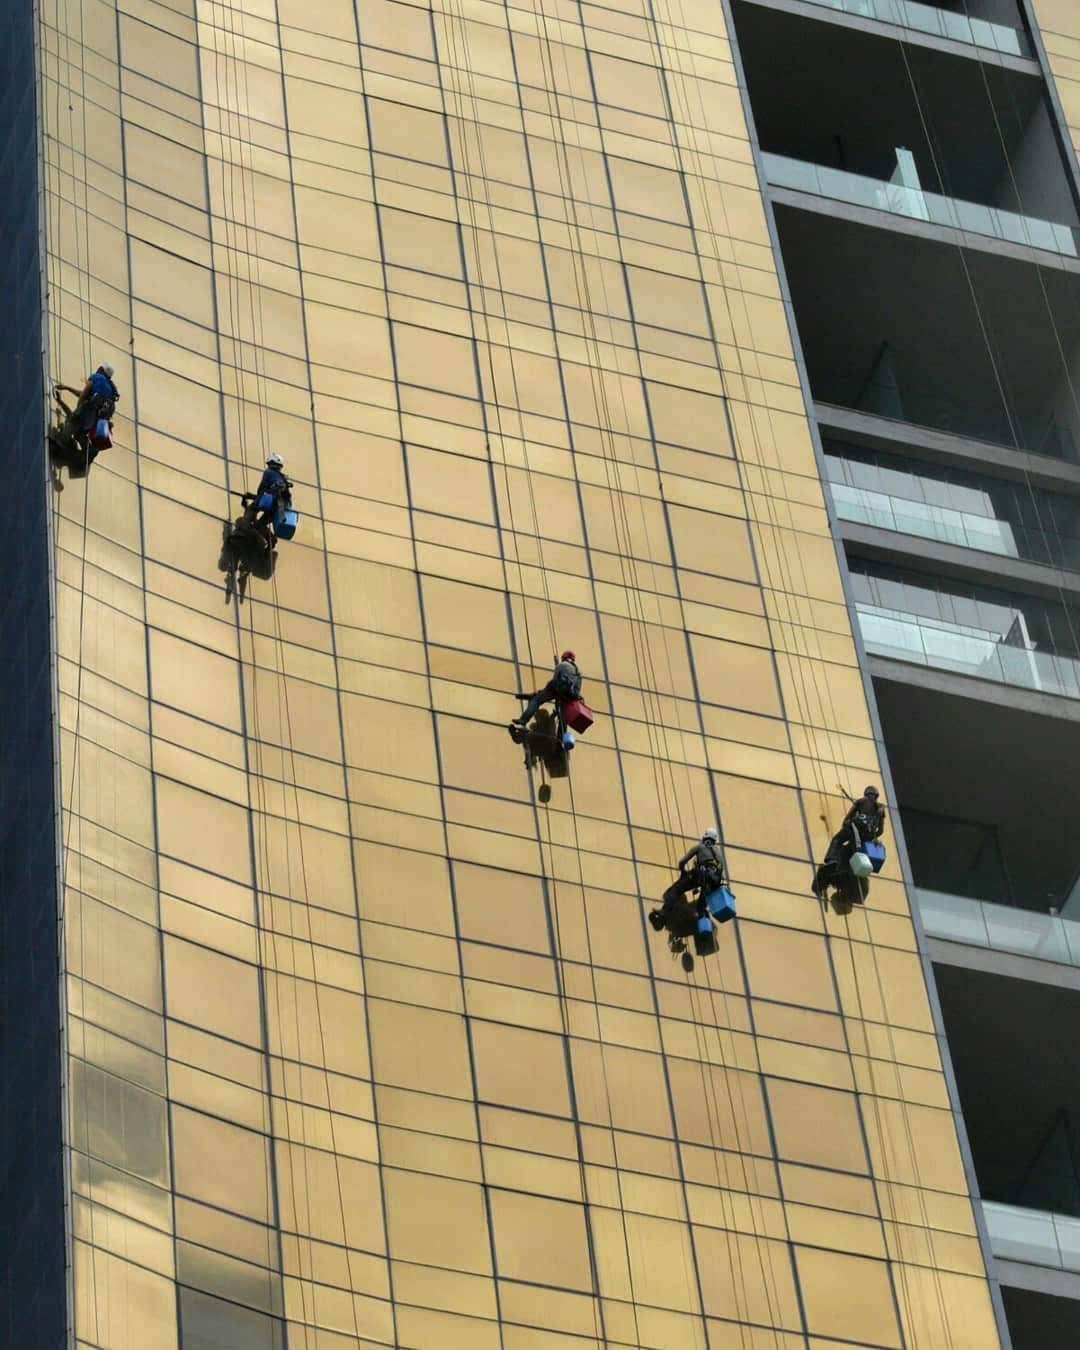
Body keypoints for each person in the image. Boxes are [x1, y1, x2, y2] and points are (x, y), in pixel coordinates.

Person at [813, 785, 886, 898]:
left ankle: (831, 860)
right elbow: (880, 831)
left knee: (837, 840)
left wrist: (846, 824)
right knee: (850, 850)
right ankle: (843, 868)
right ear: (876, 796)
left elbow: (847, 818)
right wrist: (871, 836)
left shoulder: (861, 801)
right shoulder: (880, 809)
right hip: (865, 837)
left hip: (854, 828)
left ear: (866, 794)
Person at [649, 828, 726, 931]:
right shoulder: (719, 853)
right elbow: (721, 873)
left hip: (700, 875)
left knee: (677, 889)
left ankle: (663, 913)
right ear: (715, 840)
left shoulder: (700, 847)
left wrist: (683, 870)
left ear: (705, 837)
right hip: (714, 882)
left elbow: (682, 862)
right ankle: (704, 929)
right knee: (701, 907)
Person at [55, 362, 119, 462]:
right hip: (95, 421)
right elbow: (86, 394)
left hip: (88, 411)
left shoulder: (97, 377)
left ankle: (60, 443)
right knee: (80, 433)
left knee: (73, 422)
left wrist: (78, 409)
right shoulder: (110, 389)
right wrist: (67, 388)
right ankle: (88, 452)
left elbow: (84, 393)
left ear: (101, 370)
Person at [513, 651, 582, 727]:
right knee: (563, 717)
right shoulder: (578, 670)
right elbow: (574, 685)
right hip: (570, 695)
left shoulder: (562, 665)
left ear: (563, 658)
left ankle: (523, 719)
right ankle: (561, 734)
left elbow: (556, 679)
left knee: (536, 700)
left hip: (558, 690)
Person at [240, 453, 292, 551]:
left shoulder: (269, 472)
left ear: (271, 463)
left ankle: (242, 534)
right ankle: (271, 540)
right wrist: (252, 496)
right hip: (276, 508)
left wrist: (251, 498)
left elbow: (265, 493)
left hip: (269, 503)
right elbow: (272, 493)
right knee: (260, 525)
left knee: (250, 511)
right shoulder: (282, 478)